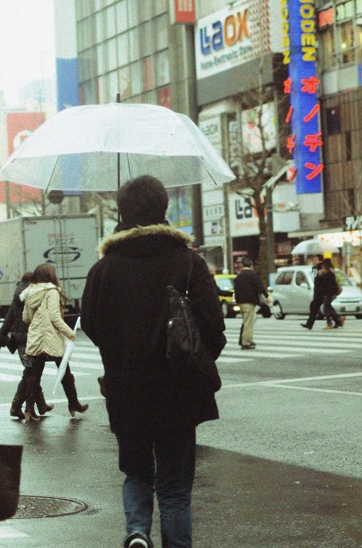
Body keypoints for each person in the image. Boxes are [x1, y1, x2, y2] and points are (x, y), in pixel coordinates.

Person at [81, 175, 226, 548]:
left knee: (136, 474)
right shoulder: (188, 262)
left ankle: (137, 531)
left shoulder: (102, 270)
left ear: (122, 212)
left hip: (126, 390)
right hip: (179, 390)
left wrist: (121, 353)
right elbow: (213, 327)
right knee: (174, 487)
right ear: (164, 209)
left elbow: (92, 325)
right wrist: (194, 359)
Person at [22, 263, 87, 420]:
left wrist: (38, 325)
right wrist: (70, 333)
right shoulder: (52, 291)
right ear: (50, 276)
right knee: (64, 369)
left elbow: (26, 318)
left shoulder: (30, 292)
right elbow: (54, 317)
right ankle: (73, 403)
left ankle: (29, 409)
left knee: (35, 373)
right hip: (51, 337)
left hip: (37, 337)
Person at [0, 271, 50, 420]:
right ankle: (18, 406)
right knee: (31, 373)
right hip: (30, 338)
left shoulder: (18, 295)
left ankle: (38, 405)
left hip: (20, 340)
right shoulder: (32, 295)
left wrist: (0, 336)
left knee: (31, 371)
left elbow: (9, 318)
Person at [233, 256, 266, 350]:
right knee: (248, 323)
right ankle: (246, 342)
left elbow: (236, 290)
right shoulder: (253, 275)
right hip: (249, 302)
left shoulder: (238, 276)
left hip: (241, 302)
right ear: (251, 265)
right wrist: (266, 296)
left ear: (242, 265)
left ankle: (245, 339)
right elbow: (260, 287)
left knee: (246, 321)